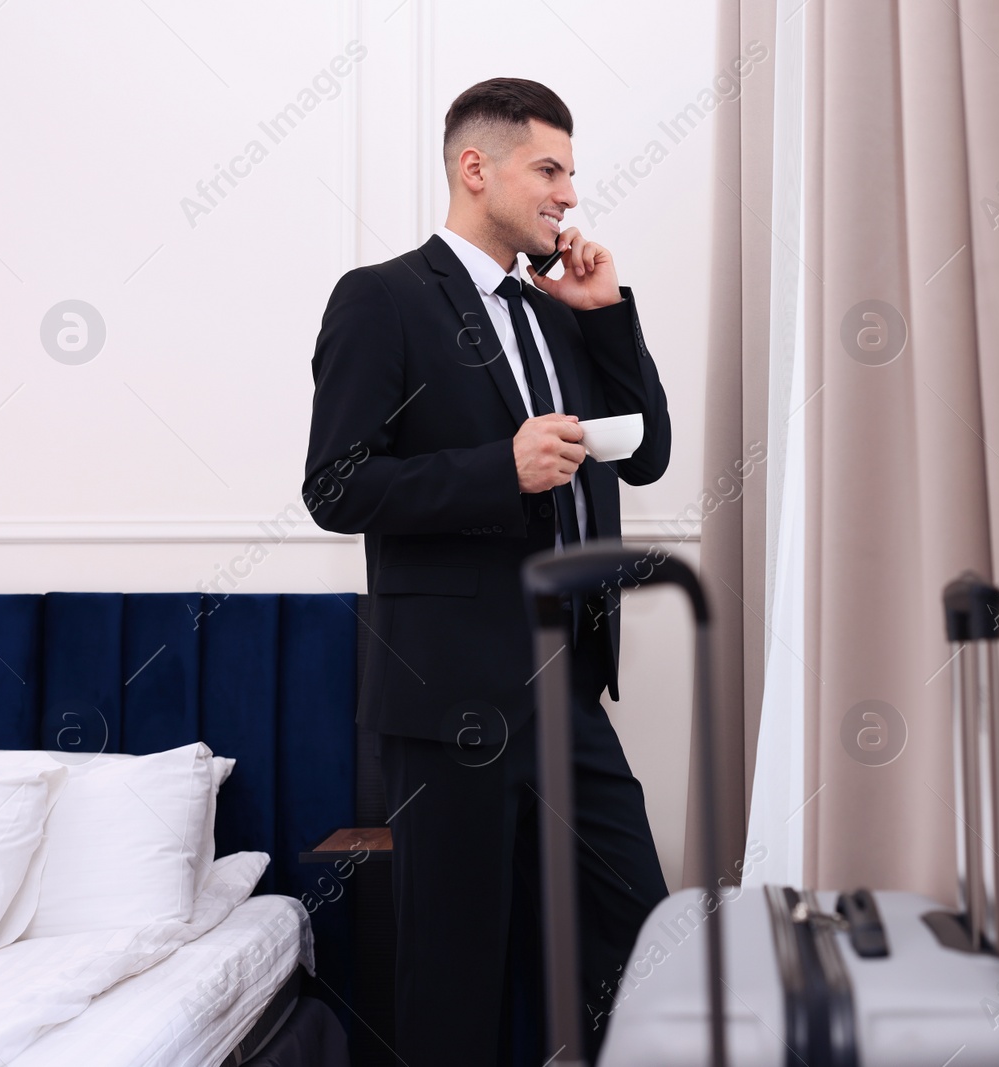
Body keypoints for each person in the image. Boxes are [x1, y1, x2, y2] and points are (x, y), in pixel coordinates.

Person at [301, 77, 672, 1066]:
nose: (567, 192)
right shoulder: (381, 299)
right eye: (548, 168)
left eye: (570, 172)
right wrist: (494, 470)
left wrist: (606, 315)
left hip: (571, 693)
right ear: (478, 168)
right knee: (454, 971)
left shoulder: (560, 307)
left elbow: (645, 451)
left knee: (639, 933)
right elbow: (335, 486)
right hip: (451, 700)